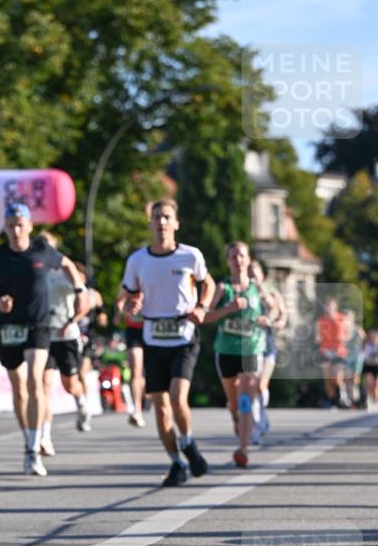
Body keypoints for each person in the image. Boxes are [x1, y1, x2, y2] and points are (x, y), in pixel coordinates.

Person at [0, 203, 85, 476]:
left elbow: (68, 265)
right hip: (9, 327)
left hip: (38, 325)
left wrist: (80, 290)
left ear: (30, 226)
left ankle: (34, 450)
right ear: (6, 227)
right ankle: (29, 439)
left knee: (36, 380)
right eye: (11, 225)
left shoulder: (41, 250)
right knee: (19, 389)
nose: (16, 230)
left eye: (20, 225)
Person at [120, 198, 214, 487]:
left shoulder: (190, 256)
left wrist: (202, 307)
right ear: (150, 223)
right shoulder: (137, 260)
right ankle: (176, 463)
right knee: (160, 409)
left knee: (176, 398)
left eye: (166, 217)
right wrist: (130, 307)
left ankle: (187, 442)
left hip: (183, 336)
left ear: (176, 223)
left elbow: (208, 284)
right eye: (156, 217)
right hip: (153, 338)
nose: (161, 222)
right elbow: (128, 296)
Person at [207, 241, 270, 468]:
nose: (238, 260)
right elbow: (206, 316)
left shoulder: (257, 288)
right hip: (226, 351)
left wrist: (268, 319)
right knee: (234, 403)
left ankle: (243, 449)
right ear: (228, 261)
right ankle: (235, 417)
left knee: (245, 400)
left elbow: (274, 308)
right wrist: (229, 309)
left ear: (248, 259)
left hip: (251, 350)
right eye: (233, 256)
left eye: (242, 255)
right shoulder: (222, 288)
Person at [38, 232, 91, 456]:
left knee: (70, 385)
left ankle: (81, 402)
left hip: (66, 336)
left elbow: (86, 302)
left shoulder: (66, 273)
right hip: (43, 337)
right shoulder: (35, 273)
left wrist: (72, 321)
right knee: (43, 386)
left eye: (47, 245)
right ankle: (45, 437)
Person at [248, 259, 287, 444]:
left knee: (261, 385)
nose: (252, 279)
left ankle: (262, 417)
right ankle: (255, 424)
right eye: (249, 275)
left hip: (267, 345)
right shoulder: (243, 293)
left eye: (255, 275)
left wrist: (277, 322)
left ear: (262, 276)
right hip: (248, 345)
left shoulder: (270, 292)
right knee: (251, 386)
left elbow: (280, 312)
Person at [113, 291, 146, 427]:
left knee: (147, 374)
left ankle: (145, 398)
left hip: (152, 329)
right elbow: (120, 298)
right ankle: (137, 410)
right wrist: (119, 311)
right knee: (136, 371)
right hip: (133, 330)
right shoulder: (130, 282)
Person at [316, 296, 350, 407]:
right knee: (327, 379)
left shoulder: (342, 319)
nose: (329, 309)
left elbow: (348, 335)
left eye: (331, 307)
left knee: (337, 378)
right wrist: (318, 338)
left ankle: (342, 391)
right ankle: (332, 402)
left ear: (336, 307)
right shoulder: (321, 320)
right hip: (325, 351)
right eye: (328, 307)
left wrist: (343, 338)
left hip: (339, 351)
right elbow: (317, 336)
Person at [343, 308, 365, 407]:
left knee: (356, 376)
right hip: (347, 356)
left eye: (350, 317)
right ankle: (348, 395)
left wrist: (363, 351)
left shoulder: (357, 328)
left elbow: (364, 338)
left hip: (357, 355)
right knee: (347, 376)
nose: (348, 319)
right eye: (346, 317)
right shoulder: (342, 329)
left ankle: (355, 387)